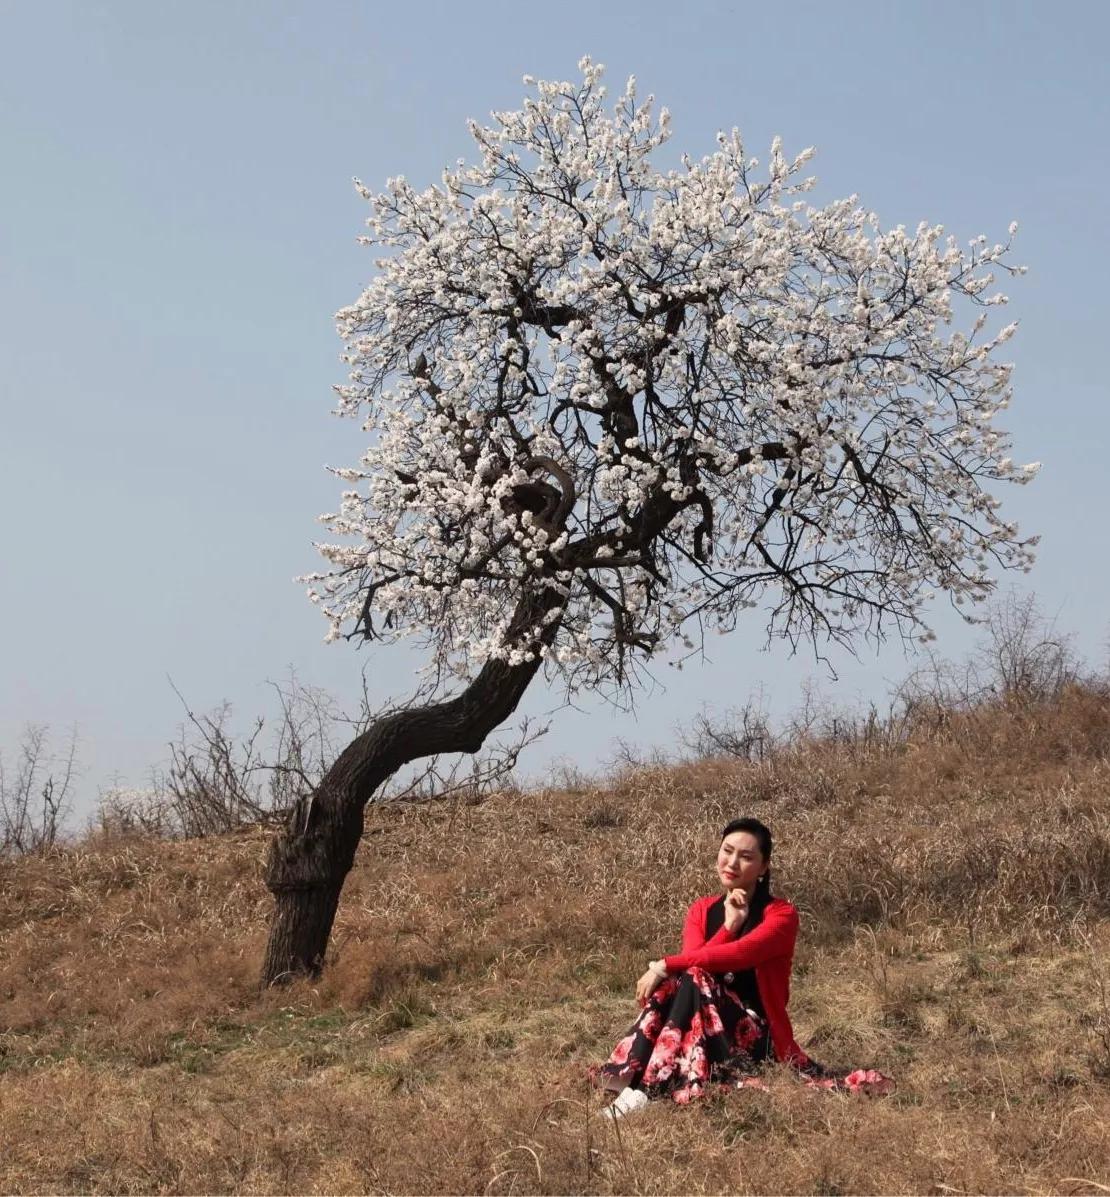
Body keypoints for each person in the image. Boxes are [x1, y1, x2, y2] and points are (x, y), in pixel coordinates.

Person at [592, 817, 892, 1117]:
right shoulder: (701, 909)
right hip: (702, 1026)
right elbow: (696, 960)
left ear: (763, 867)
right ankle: (641, 1080)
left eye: (746, 857)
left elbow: (738, 955)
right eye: (727, 851)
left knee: (687, 974)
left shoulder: (781, 915)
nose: (732, 862)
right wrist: (729, 925)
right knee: (686, 978)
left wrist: (663, 965)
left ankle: (645, 1089)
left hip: (754, 1036)